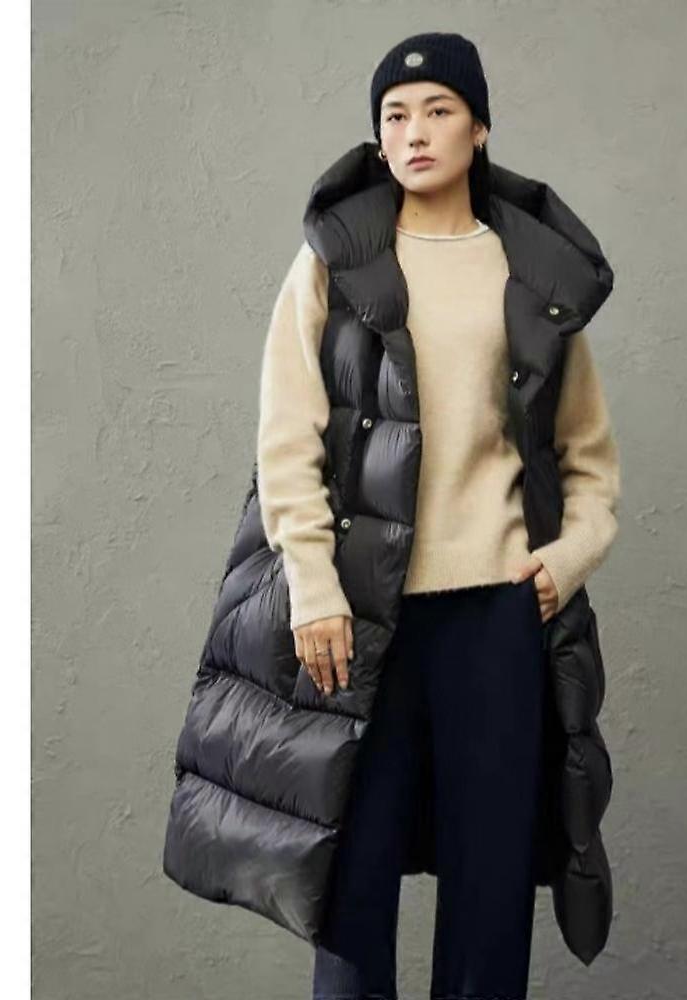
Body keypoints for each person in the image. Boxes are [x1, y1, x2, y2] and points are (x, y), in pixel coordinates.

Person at [255, 31, 621, 1000]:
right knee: (351, 887)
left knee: (491, 891)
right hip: (362, 619)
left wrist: (567, 558)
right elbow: (286, 438)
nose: (414, 131)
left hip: (499, 613)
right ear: (378, 139)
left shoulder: (533, 275)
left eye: (438, 110)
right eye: (395, 115)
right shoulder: (335, 261)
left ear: (478, 127)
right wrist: (312, 587)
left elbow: (588, 459)